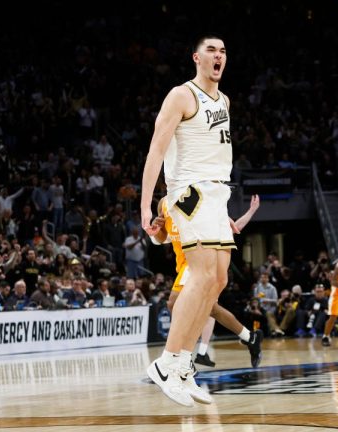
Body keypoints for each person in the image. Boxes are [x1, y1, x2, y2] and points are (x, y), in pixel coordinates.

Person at [141, 34, 237, 406]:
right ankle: (166, 363)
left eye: (223, 51)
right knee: (199, 276)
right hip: (189, 193)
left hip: (216, 195)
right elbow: (156, 149)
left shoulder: (225, 100)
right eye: (212, 50)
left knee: (219, 279)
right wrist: (147, 205)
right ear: (197, 58)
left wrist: (222, 213)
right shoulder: (181, 95)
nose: (219, 56)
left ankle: (183, 364)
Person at [151, 194, 262, 364]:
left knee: (173, 303)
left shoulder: (195, 196)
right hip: (183, 263)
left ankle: (180, 357)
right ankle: (250, 337)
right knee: (211, 309)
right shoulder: (163, 203)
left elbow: (231, 227)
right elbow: (161, 238)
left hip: (199, 259)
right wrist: (155, 229)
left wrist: (248, 212)